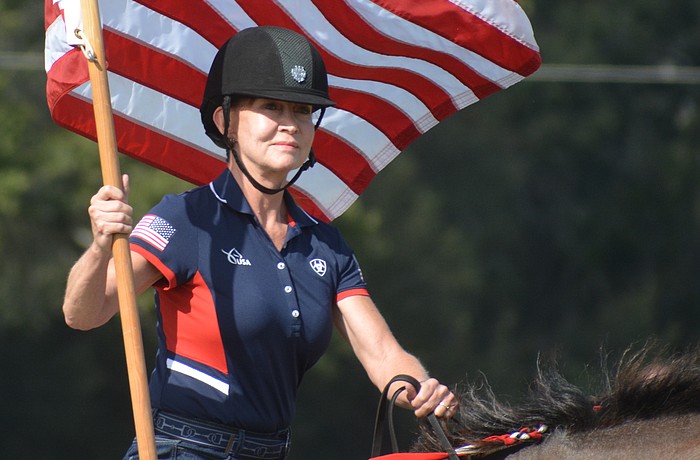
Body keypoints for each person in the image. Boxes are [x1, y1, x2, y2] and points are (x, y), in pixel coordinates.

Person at [62, 26, 458, 460]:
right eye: (271, 107)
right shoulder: (187, 217)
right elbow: (84, 313)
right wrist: (101, 247)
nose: (290, 124)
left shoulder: (326, 245)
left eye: (304, 110)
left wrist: (421, 390)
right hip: (182, 449)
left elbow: (383, 355)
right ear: (225, 121)